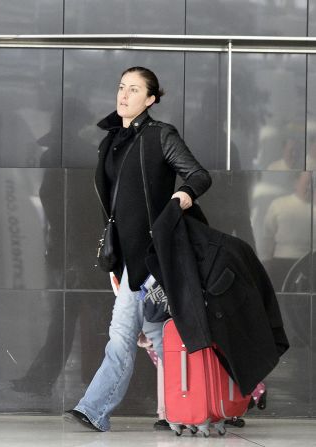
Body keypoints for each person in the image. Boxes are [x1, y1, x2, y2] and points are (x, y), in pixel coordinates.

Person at [64, 67, 212, 432]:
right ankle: (178, 409)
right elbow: (114, 207)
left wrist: (181, 198)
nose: (124, 94)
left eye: (134, 89)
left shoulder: (160, 135)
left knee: (121, 333)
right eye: (121, 87)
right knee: (160, 338)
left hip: (152, 252)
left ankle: (95, 408)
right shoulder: (112, 141)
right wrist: (114, 262)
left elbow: (198, 175)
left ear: (150, 99)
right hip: (126, 255)